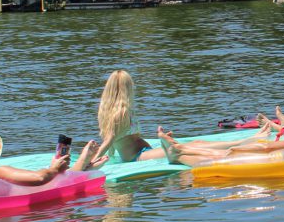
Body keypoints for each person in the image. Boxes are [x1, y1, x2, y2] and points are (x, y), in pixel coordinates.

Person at [92, 70, 270, 164]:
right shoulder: (122, 112)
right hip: (138, 156)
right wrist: (92, 162)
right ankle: (246, 143)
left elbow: (117, 139)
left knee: (195, 144)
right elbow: (109, 139)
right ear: (126, 89)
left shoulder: (112, 111)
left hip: (143, 151)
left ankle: (246, 141)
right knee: (193, 146)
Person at [161, 95, 284, 167]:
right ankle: (180, 148)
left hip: (273, 162)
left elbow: (267, 149)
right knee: (227, 151)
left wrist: (239, 149)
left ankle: (178, 154)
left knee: (225, 155)